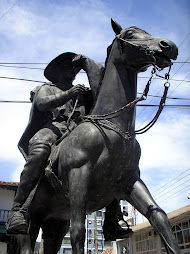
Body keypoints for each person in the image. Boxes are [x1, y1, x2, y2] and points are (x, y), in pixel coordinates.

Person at [6, 52, 91, 235]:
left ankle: (112, 216)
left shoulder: (82, 94)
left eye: (75, 69)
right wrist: (69, 94)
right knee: (40, 150)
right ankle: (18, 209)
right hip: (53, 129)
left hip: (78, 132)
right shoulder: (47, 88)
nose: (73, 71)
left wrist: (87, 65)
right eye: (69, 67)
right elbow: (42, 104)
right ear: (59, 71)